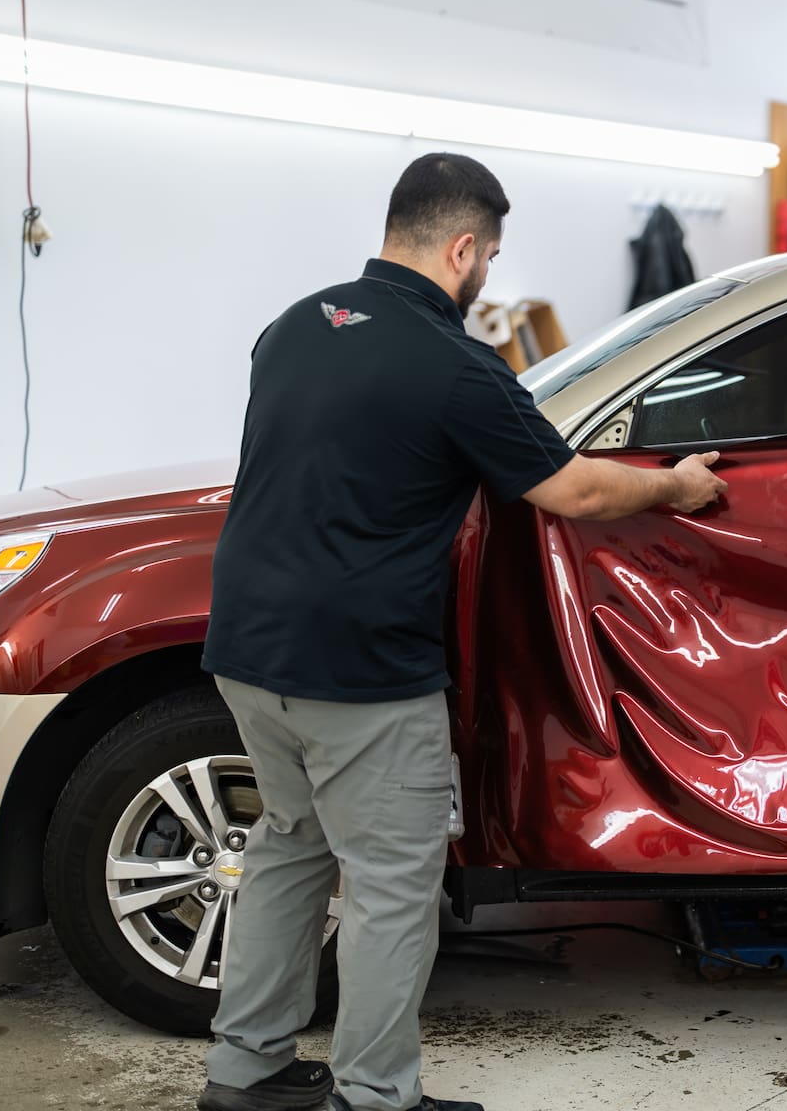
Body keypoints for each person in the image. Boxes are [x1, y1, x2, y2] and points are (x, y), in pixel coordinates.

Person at [195, 152, 726, 1111]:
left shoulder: (292, 326)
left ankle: (245, 1072)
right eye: (490, 257)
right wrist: (679, 486)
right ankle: (375, 1095)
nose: (487, 276)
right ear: (464, 247)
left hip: (246, 647)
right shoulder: (453, 366)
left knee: (288, 844)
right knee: (392, 885)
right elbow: (575, 488)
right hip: (360, 667)